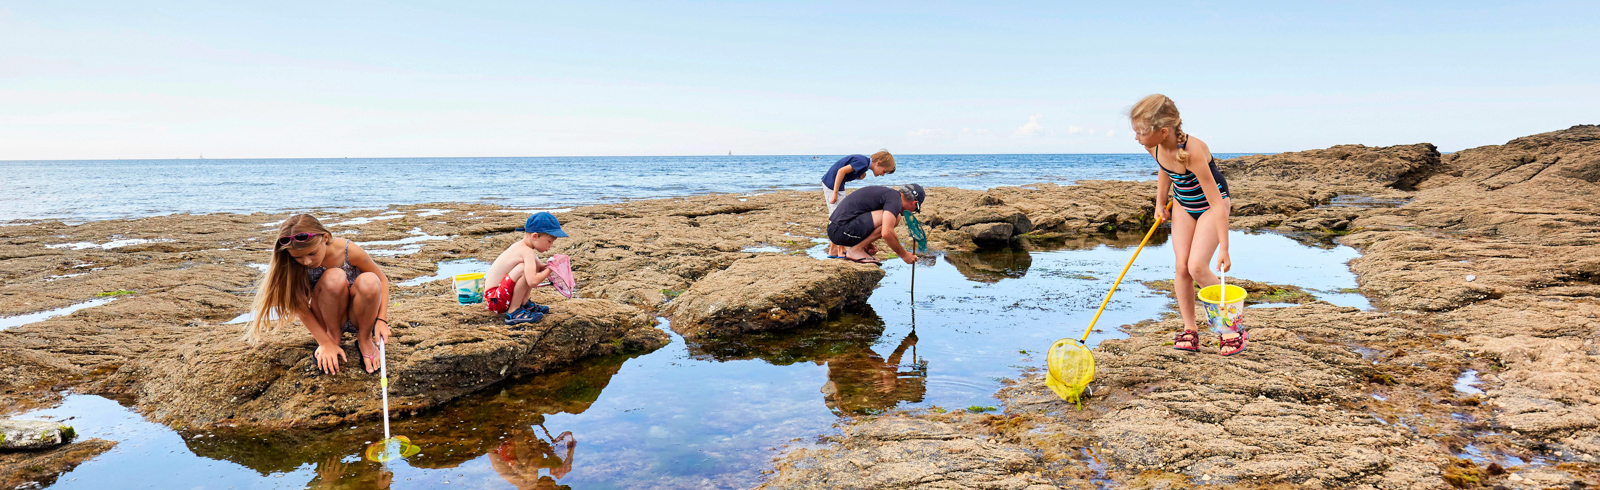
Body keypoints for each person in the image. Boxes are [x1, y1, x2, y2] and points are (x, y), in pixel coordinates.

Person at [1129, 94, 1242, 356]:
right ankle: (1190, 330)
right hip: (1183, 205)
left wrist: (1225, 247)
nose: (1136, 138)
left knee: (1197, 267)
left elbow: (1216, 201)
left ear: (1163, 131)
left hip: (1212, 207)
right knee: (1181, 267)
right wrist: (1160, 202)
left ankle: (1232, 329)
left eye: (1140, 132)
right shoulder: (1153, 146)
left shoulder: (1192, 152)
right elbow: (1163, 169)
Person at [245, 214, 392, 374]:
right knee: (334, 277)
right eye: (298, 257)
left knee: (370, 280)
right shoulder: (292, 265)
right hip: (328, 318)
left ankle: (364, 340)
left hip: (360, 316)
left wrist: (381, 320)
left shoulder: (347, 250)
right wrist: (324, 342)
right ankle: (333, 337)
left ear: (325, 238)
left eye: (312, 253)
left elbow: (382, 280)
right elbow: (299, 305)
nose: (307, 261)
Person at [485, 211, 568, 325]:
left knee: (530, 269)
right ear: (535, 236)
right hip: (495, 299)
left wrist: (552, 265)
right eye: (549, 241)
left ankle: (523, 304)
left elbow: (538, 268)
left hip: (496, 297)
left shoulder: (525, 248)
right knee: (524, 269)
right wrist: (550, 269)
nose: (551, 246)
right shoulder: (526, 251)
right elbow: (533, 281)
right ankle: (513, 312)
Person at [827, 184, 925, 265]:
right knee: (895, 218)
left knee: (892, 217)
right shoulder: (895, 201)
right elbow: (887, 233)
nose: (912, 213)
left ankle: (858, 248)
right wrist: (904, 255)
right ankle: (855, 251)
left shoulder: (890, 195)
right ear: (914, 203)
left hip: (836, 229)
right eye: (915, 210)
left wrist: (867, 244)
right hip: (840, 230)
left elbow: (861, 214)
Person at [821, 151, 896, 257]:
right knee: (839, 216)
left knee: (838, 213)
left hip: (832, 183)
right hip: (832, 185)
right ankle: (840, 249)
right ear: (878, 163)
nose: (882, 174)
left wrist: (858, 175)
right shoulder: (863, 163)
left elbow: (846, 171)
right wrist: (835, 193)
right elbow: (841, 171)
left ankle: (833, 250)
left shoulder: (863, 164)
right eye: (884, 171)